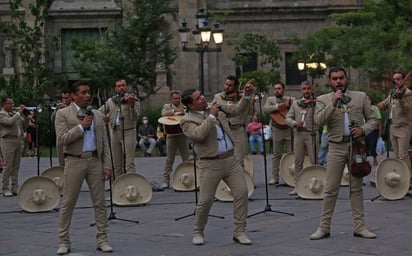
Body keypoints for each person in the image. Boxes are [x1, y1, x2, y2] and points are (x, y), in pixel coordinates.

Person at [180, 79, 255, 246]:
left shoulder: (216, 107)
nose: (202, 98)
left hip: (230, 159)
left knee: (242, 192)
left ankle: (240, 231)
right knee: (206, 200)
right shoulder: (187, 120)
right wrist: (212, 116)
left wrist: (247, 95)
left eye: (201, 95)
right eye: (198, 98)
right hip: (209, 164)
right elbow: (198, 135)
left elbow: (236, 111)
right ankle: (198, 231)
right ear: (191, 105)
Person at [310, 67, 377, 240]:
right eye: (334, 79)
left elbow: (373, 120)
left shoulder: (360, 96)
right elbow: (318, 121)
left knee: (356, 189)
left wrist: (363, 129)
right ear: (330, 81)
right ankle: (324, 227)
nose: (338, 81)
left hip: (357, 147)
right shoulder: (323, 99)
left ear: (346, 79)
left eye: (341, 78)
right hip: (336, 147)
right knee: (331, 189)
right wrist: (333, 103)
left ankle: (359, 226)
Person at [54, 80, 113, 254]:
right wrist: (81, 127)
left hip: (95, 160)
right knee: (68, 203)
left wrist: (107, 165)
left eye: (89, 92)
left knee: (100, 202)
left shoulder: (97, 114)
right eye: (83, 92)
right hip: (74, 160)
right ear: (73, 95)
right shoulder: (63, 114)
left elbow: (104, 143)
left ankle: (102, 239)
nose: (88, 95)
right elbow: (62, 139)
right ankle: (64, 241)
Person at [99, 79, 140, 178]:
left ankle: (131, 183)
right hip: (115, 131)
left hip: (129, 131)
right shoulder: (111, 101)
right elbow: (99, 112)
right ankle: (118, 184)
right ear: (115, 88)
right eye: (119, 86)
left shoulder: (133, 99)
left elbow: (135, 117)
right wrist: (104, 117)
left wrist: (132, 105)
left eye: (123, 85)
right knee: (116, 162)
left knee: (129, 162)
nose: (121, 88)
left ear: (126, 87)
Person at [285, 81, 319, 195]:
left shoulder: (316, 103)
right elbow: (287, 118)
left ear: (312, 90)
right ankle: (297, 186)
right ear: (301, 90)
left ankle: (316, 184)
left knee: (314, 160)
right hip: (299, 134)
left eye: (308, 88)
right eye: (304, 89)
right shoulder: (296, 104)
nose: (306, 91)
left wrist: (316, 103)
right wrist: (295, 122)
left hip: (311, 133)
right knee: (298, 161)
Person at [213, 75, 254, 165]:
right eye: (226, 84)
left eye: (230, 85)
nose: (227, 87)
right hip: (222, 131)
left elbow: (250, 112)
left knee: (239, 159)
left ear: (235, 87)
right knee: (222, 159)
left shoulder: (242, 98)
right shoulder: (217, 97)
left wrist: (248, 100)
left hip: (237, 130)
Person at [378, 71, 412, 175]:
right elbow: (386, 103)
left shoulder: (408, 93)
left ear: (403, 80)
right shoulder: (393, 92)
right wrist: (382, 105)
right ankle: (401, 176)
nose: (396, 81)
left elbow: (408, 109)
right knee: (396, 155)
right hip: (392, 126)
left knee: (403, 155)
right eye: (394, 79)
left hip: (404, 126)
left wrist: (400, 98)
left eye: (398, 79)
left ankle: (409, 177)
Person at [263, 82, 294, 185]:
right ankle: (274, 177)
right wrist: (277, 106)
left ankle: (290, 177)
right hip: (277, 130)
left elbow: (296, 108)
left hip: (289, 129)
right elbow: (265, 109)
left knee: (291, 154)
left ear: (283, 90)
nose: (277, 90)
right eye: (275, 88)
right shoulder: (270, 100)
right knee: (276, 154)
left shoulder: (290, 99)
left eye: (279, 88)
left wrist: (287, 105)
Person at [0, 96, 29, 197]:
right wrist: (18, 113)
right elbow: (9, 122)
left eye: (13, 103)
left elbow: (25, 125)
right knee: (8, 166)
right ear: (4, 104)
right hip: (7, 140)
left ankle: (14, 187)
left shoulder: (14, 114)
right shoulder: (1, 114)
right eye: (10, 103)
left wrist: (26, 116)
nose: (12, 105)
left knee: (16, 167)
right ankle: (5, 188)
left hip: (18, 140)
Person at [160, 91, 190, 188]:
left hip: (182, 134)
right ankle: (166, 180)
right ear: (171, 99)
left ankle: (190, 179)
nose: (177, 100)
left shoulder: (185, 106)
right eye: (175, 98)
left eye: (178, 98)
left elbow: (189, 114)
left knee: (186, 159)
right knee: (169, 159)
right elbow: (163, 113)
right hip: (171, 135)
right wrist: (175, 112)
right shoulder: (167, 106)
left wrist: (183, 111)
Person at [51, 89, 72, 166]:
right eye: (63, 98)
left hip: (70, 137)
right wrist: (57, 110)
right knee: (61, 163)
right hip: (60, 139)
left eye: (66, 98)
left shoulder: (73, 108)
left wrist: (67, 108)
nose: (64, 100)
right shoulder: (59, 109)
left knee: (70, 163)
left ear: (71, 97)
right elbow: (52, 119)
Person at [365, 96, 382, 166]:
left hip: (373, 130)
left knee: (372, 145)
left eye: (368, 99)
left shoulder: (375, 108)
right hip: (364, 130)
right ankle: (364, 159)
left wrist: (380, 132)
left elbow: (379, 120)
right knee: (365, 145)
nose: (366, 100)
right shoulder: (362, 108)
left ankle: (375, 159)